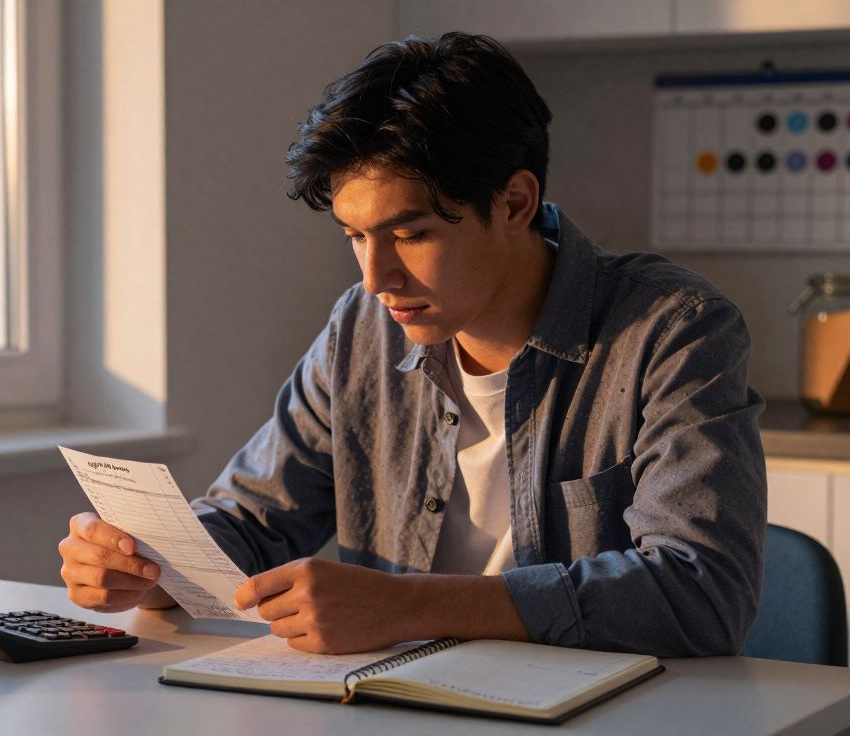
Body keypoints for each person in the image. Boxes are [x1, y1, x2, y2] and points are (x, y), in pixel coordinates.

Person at [58, 32, 766, 657]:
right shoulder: (360, 329)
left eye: (412, 233)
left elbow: (700, 595)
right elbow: (252, 520)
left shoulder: (674, 331)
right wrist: (146, 568)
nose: (376, 278)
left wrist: (405, 608)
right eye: (356, 237)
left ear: (515, 203)